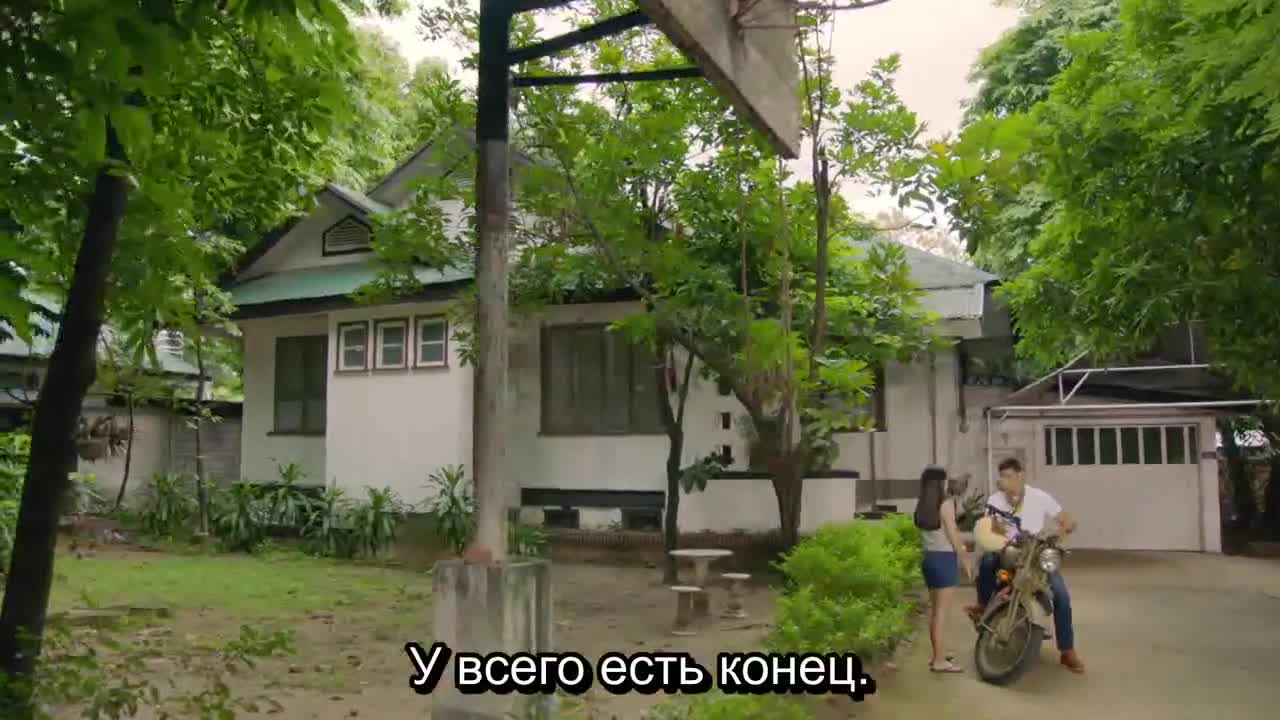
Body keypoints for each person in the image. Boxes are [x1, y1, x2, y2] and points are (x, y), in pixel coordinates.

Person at [972, 457, 1086, 674]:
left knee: (1061, 596)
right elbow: (990, 526)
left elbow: (1066, 520)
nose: (1005, 481)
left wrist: (1061, 532)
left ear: (1020, 476)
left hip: (1035, 553)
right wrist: (1005, 535)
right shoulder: (995, 500)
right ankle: (982, 606)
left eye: (1009, 476)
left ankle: (1067, 650)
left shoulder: (1039, 497)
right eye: (1002, 477)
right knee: (987, 563)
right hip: (1007, 551)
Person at [914, 465, 973, 673]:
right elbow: (953, 535)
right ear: (940, 482)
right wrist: (965, 559)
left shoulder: (922, 504)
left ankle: (937, 654)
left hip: (928, 558)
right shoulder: (945, 504)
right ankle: (939, 660)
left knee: (935, 611)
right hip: (944, 559)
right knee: (941, 613)